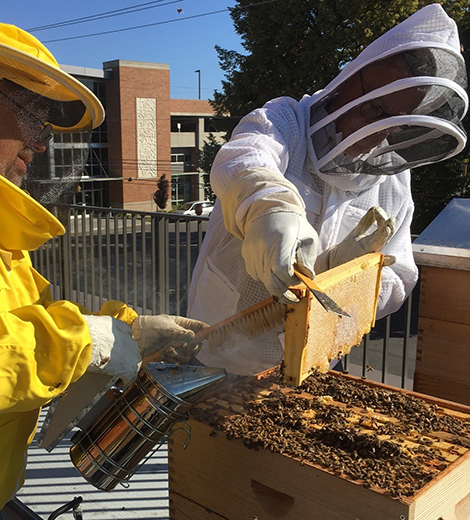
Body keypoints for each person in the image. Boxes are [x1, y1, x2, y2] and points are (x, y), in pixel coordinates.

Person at [0, 22, 206, 520]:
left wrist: (125, 329)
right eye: (35, 117)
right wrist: (81, 341)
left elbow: (14, 320)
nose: (41, 143)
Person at [188, 4, 468, 375]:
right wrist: (268, 207)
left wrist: (347, 275)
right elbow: (244, 158)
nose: (378, 130)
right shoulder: (284, 121)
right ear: (351, 77)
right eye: (374, 109)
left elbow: (399, 276)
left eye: (395, 122)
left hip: (314, 361)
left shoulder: (393, 182)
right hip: (220, 348)